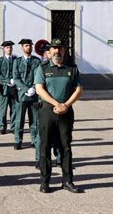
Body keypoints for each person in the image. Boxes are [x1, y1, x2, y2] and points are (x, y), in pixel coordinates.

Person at [35, 38, 84, 194]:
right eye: (54, 48)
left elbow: (79, 90)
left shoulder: (72, 68)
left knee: (65, 148)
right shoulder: (42, 68)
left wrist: (66, 105)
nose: (57, 51)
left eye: (60, 48)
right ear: (50, 51)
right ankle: (45, 182)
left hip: (66, 111)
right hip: (47, 112)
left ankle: (67, 181)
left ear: (64, 50)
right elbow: (39, 89)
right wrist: (56, 104)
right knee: (45, 147)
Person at [12, 39, 41, 150]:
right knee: (19, 119)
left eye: (29, 45)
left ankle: (34, 140)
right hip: (22, 95)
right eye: (26, 46)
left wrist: (33, 88)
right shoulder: (17, 61)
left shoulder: (36, 61)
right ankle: (18, 141)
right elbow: (16, 77)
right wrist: (25, 89)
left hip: (33, 95)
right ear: (22, 48)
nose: (28, 47)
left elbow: (38, 76)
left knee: (34, 120)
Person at [0, 41, 17, 135]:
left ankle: (13, 127)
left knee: (14, 108)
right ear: (4, 49)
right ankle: (2, 127)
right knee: (3, 109)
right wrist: (8, 80)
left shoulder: (16, 60)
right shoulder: (0, 61)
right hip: (4, 88)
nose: (9, 49)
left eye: (10, 47)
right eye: (7, 48)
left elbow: (18, 72)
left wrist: (15, 81)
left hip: (14, 88)